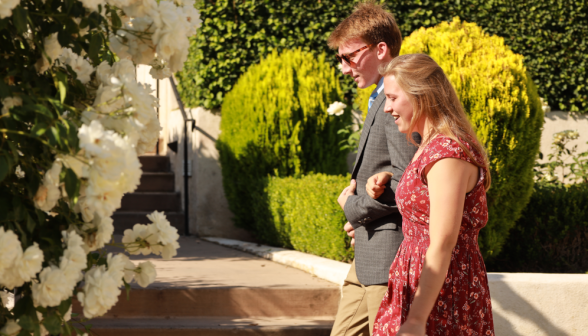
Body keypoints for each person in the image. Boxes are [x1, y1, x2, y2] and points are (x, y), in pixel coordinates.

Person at [366, 53, 495, 336]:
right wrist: (387, 179)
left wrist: (416, 319)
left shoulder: (447, 154)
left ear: (420, 96)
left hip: (441, 290)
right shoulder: (429, 148)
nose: (387, 108)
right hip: (417, 280)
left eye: (392, 97)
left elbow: (442, 243)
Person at [328, 2, 420, 335]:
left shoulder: (397, 100)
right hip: (367, 256)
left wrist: (353, 208)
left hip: (388, 258)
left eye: (349, 56)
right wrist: (359, 217)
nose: (343, 67)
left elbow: (408, 180)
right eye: (339, 59)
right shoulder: (379, 98)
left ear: (381, 49)